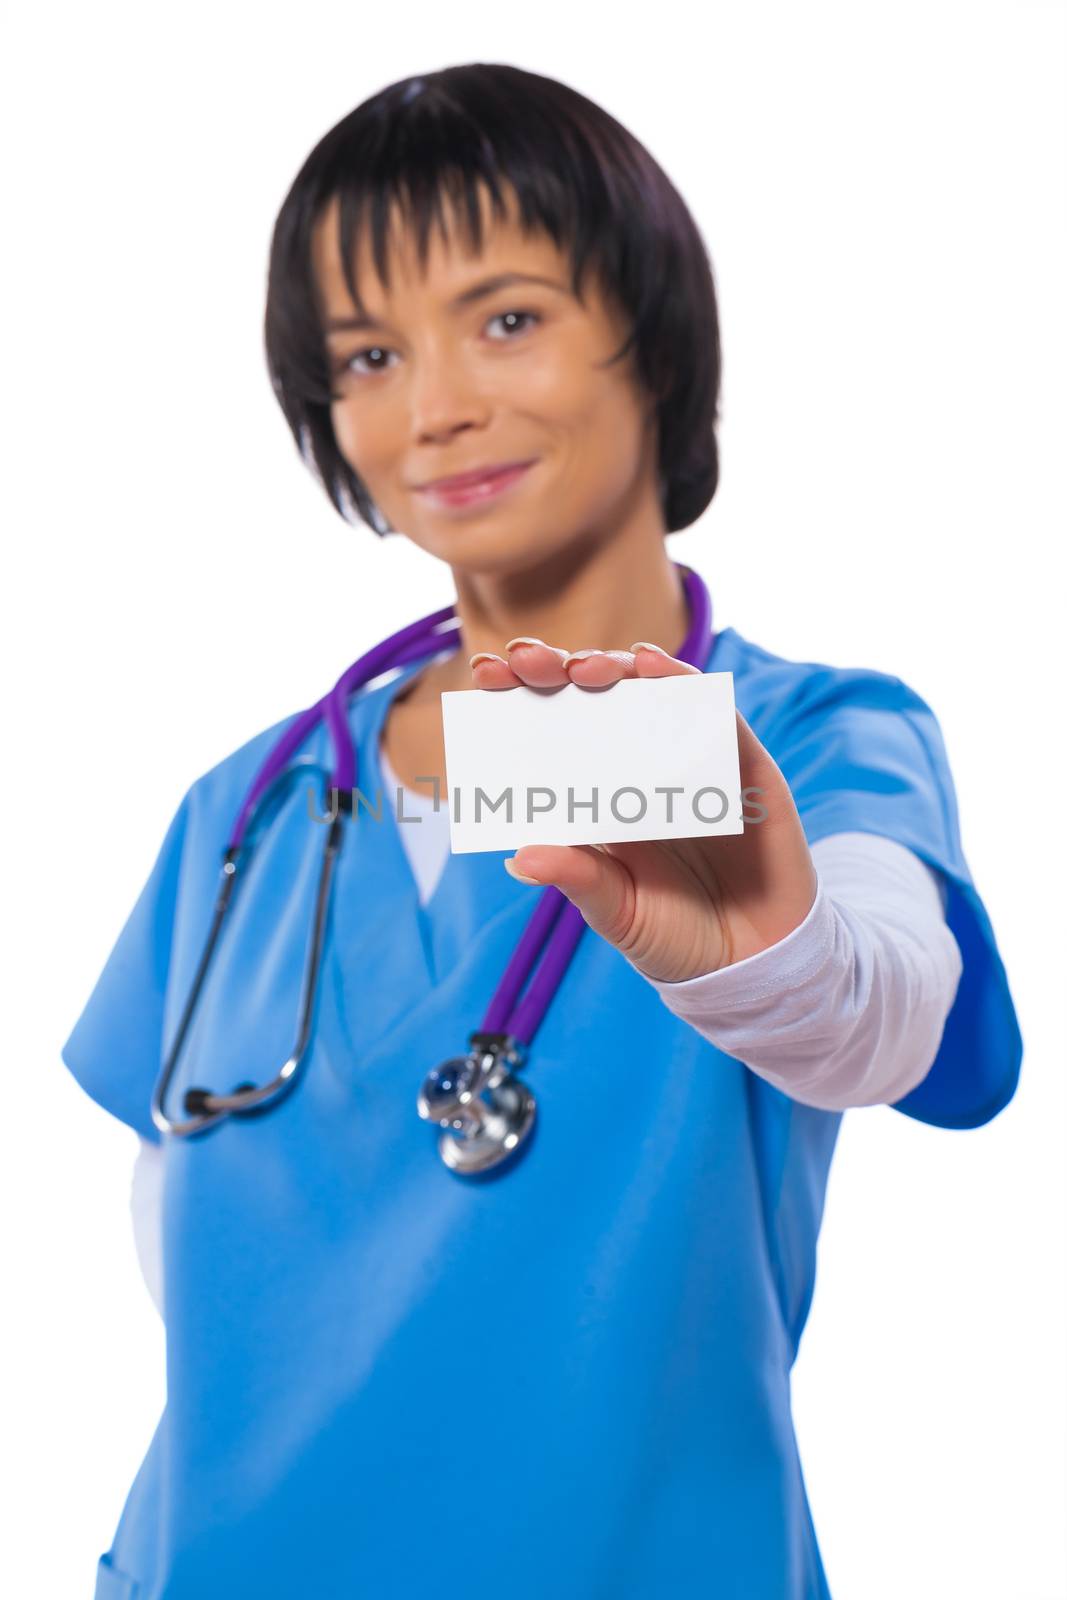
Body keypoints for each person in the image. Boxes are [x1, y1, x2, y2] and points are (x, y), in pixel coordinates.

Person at [61, 62, 1022, 1600]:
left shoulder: (809, 738)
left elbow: (882, 1009)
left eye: (508, 318)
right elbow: (182, 1250)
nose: (433, 409)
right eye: (366, 355)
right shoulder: (246, 807)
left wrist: (767, 962)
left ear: (653, 334)